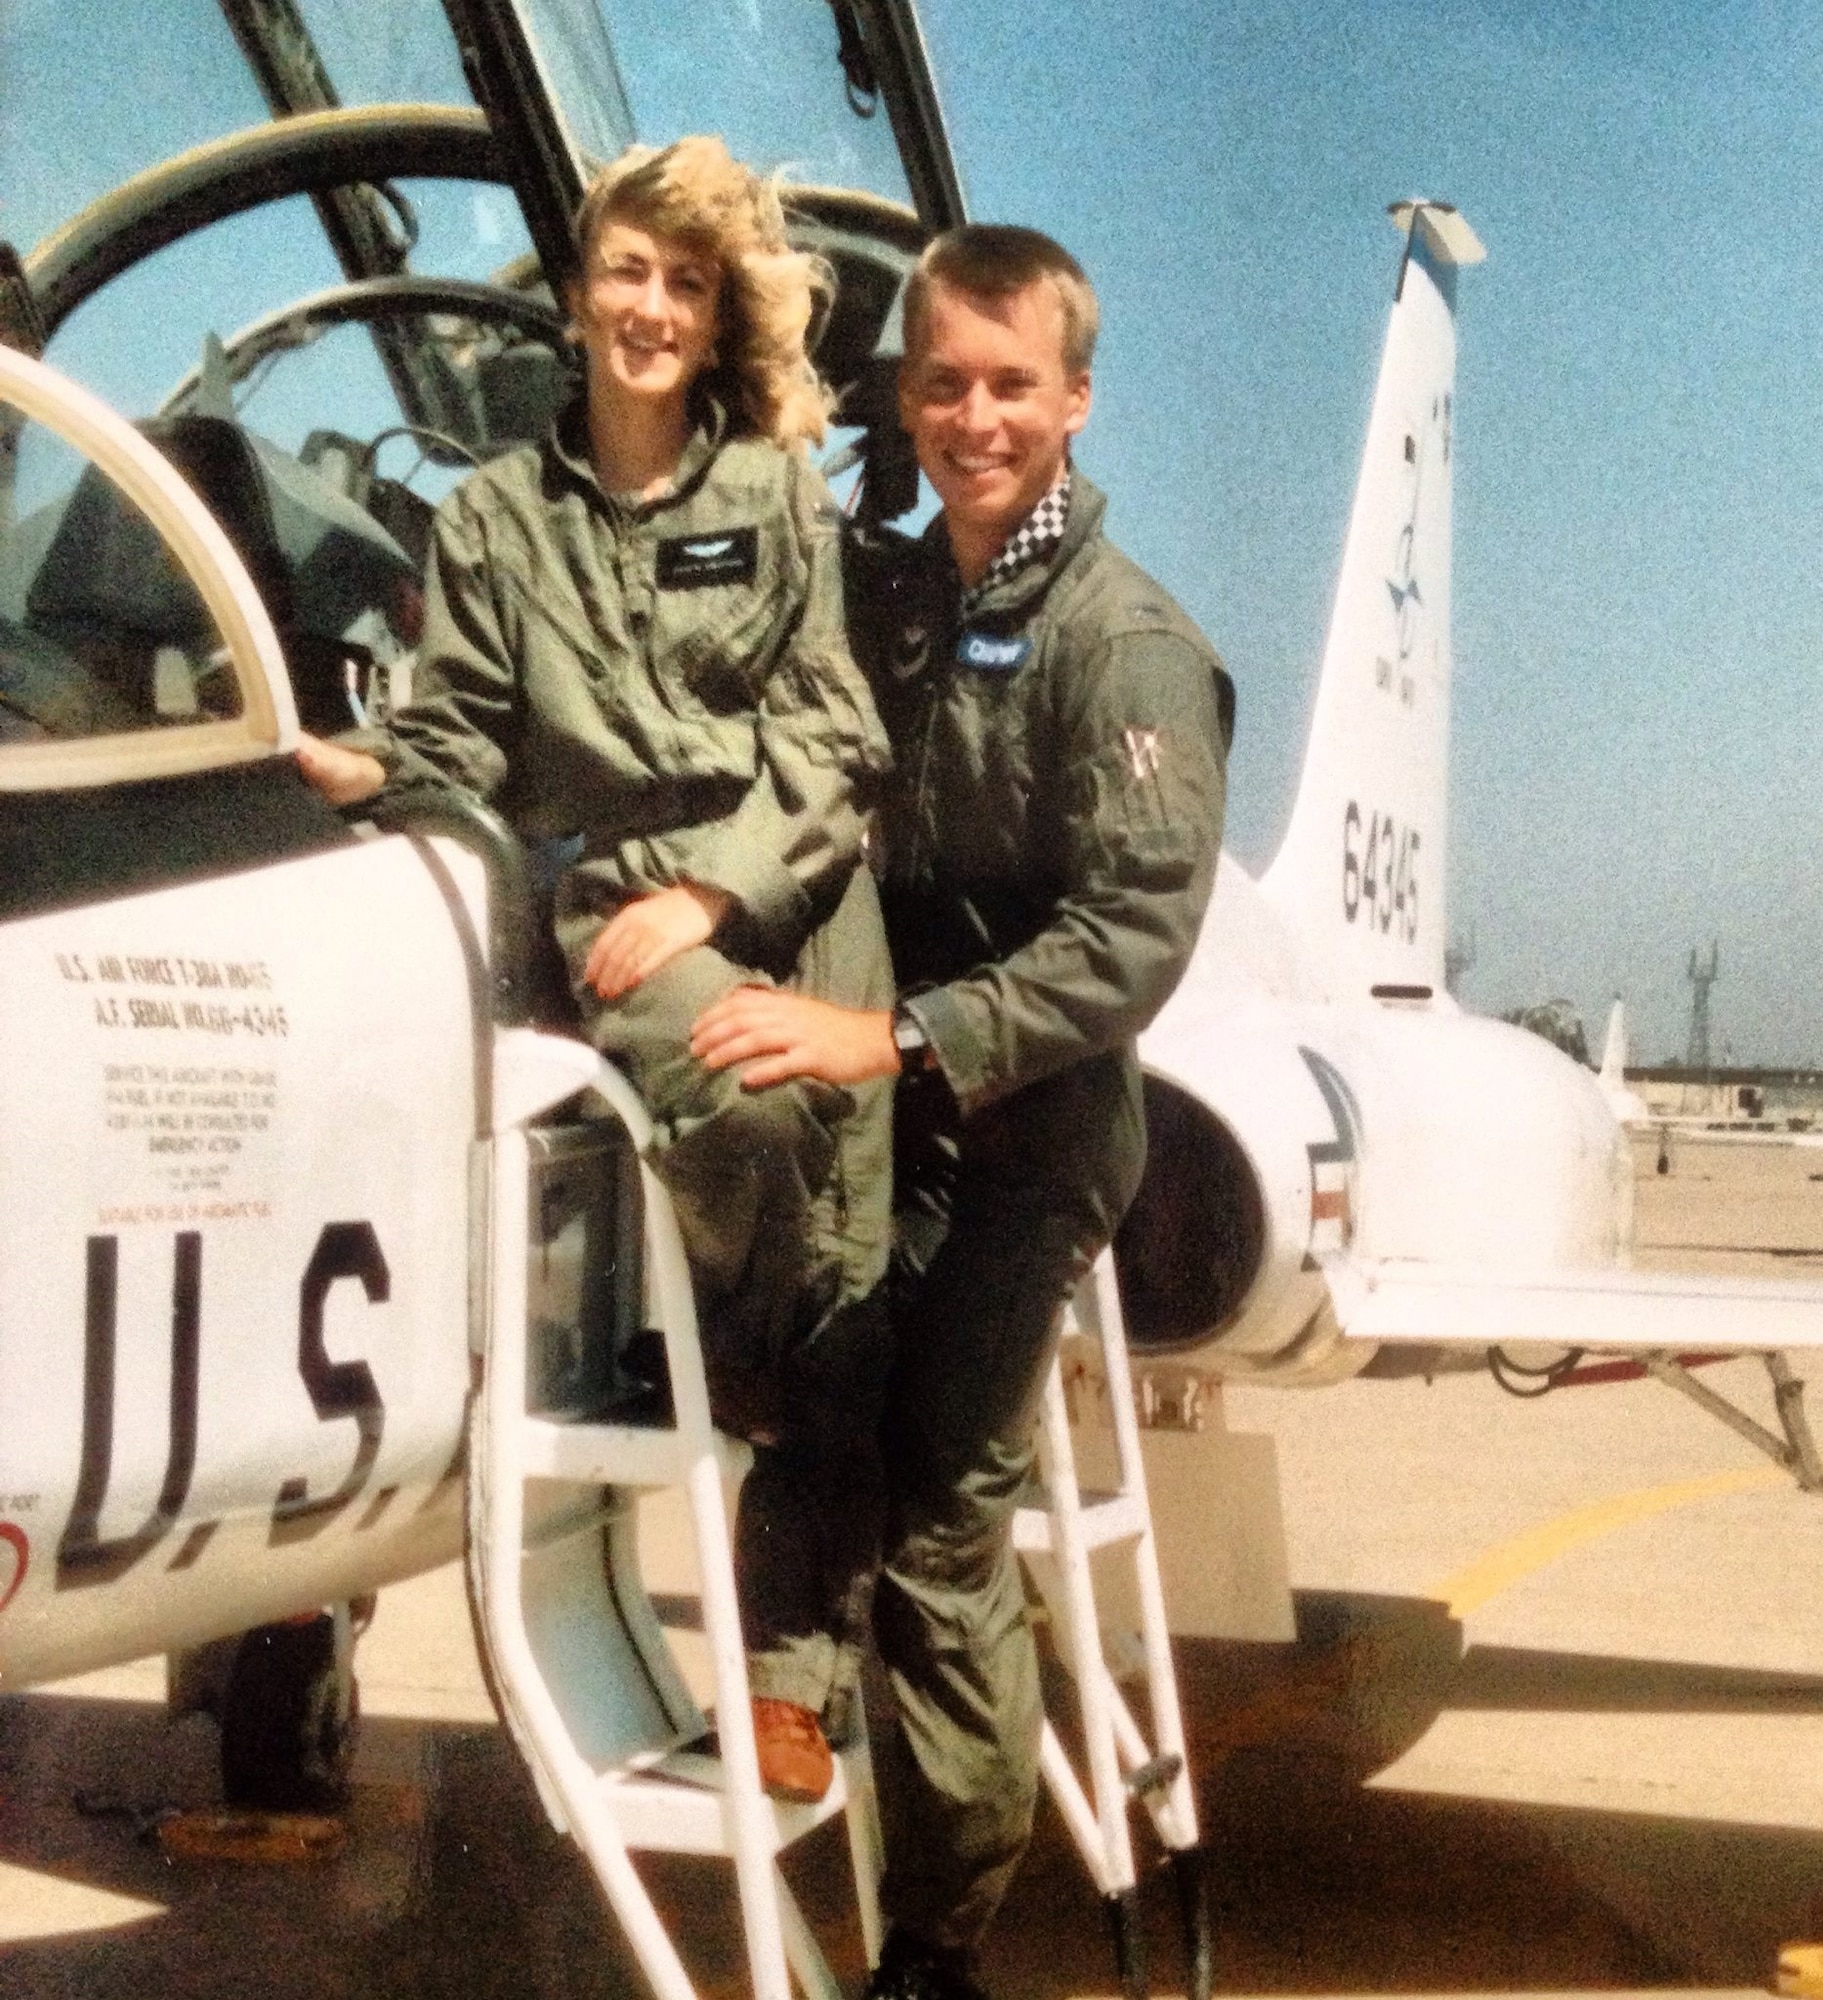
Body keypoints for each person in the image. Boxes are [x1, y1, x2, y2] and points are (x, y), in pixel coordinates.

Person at [296, 137, 895, 1805]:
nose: (649, 306)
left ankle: (791, 1668)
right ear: (578, 295)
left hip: (788, 883)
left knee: (855, 1266)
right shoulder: (496, 520)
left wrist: (725, 886)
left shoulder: (774, 496)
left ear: (714, 323)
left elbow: (837, 735)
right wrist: (359, 766)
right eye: (626, 271)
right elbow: (463, 731)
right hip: (625, 918)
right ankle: (722, 1365)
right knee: (752, 1108)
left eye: (684, 284)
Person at [690, 224, 1232, 1999]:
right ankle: (790, 1699)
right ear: (902, 399)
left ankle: (937, 1942)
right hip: (892, 1115)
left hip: (1033, 1132)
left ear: (1075, 400)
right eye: (941, 384)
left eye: (1012, 385)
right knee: (803, 1380)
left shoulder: (1126, 646)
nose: (974, 418)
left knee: (941, 1502)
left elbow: (1133, 941)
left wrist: (902, 1043)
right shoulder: (897, 597)